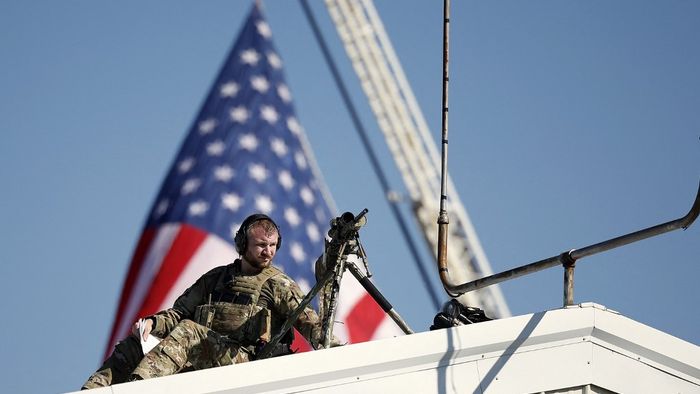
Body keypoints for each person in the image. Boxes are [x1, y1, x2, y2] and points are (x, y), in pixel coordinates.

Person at [82, 214, 326, 389]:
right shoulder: (216, 278)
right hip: (206, 358)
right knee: (136, 343)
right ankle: (92, 390)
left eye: (273, 246)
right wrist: (152, 325)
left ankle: (140, 387)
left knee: (190, 333)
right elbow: (179, 313)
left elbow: (308, 322)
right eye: (261, 245)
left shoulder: (278, 284)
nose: (268, 252)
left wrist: (333, 347)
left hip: (247, 362)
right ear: (243, 244)